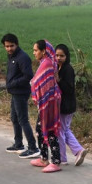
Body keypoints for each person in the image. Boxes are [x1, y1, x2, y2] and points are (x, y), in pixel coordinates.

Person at [2, 33, 40, 158]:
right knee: (14, 117)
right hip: (14, 92)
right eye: (6, 46)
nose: (9, 49)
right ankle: (18, 144)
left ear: (16, 44)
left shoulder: (22, 57)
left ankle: (33, 147)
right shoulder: (12, 56)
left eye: (11, 46)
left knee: (23, 119)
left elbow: (28, 75)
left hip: (21, 92)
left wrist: (13, 83)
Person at [28, 40, 63, 173]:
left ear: (43, 51)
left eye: (36, 50)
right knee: (40, 128)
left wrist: (33, 84)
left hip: (49, 101)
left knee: (49, 129)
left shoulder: (47, 63)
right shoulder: (45, 62)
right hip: (47, 101)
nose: (34, 53)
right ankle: (44, 158)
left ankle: (55, 161)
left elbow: (38, 81)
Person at [55, 44, 88, 167]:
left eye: (62, 56)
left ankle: (62, 157)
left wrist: (58, 81)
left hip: (66, 106)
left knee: (60, 132)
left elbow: (69, 88)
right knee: (64, 130)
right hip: (66, 105)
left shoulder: (67, 69)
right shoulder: (60, 67)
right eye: (57, 55)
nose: (58, 58)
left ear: (67, 56)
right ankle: (78, 150)